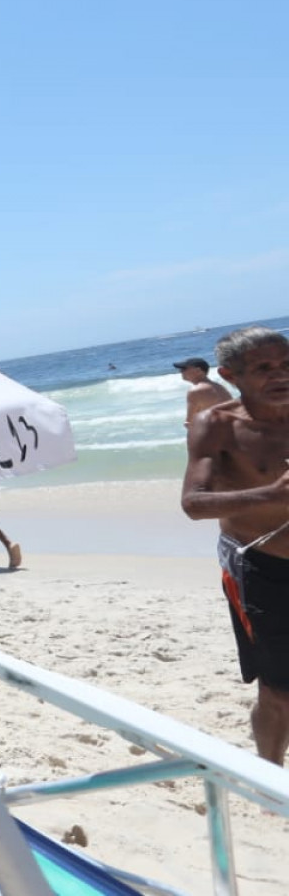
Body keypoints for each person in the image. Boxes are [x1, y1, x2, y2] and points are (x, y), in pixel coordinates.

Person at [180, 326, 289, 765]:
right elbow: (193, 503)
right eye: (263, 368)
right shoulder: (217, 426)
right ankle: (270, 773)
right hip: (262, 568)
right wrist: (272, 494)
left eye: (285, 365)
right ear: (230, 374)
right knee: (280, 690)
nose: (279, 375)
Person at [176, 356, 235, 427]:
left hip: (216, 432)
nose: (181, 371)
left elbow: (190, 422)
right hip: (230, 429)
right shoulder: (218, 386)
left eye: (183, 369)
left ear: (198, 371)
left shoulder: (195, 390)